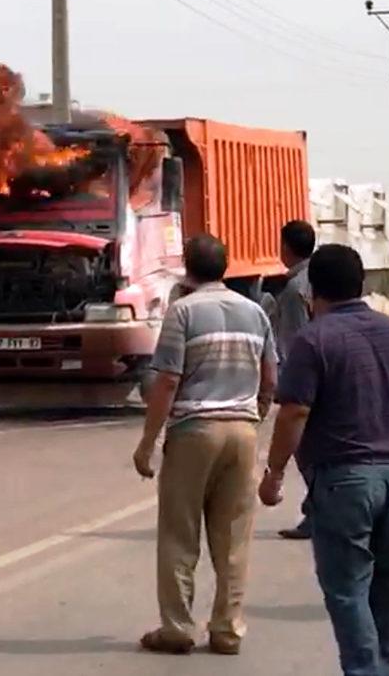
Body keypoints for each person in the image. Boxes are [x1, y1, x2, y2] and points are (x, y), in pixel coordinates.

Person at [259, 244, 389, 676]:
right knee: (386, 586)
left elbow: (295, 411)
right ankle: (387, 668)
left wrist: (274, 473)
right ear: (363, 284)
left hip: (345, 483)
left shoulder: (313, 339)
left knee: (349, 591)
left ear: (311, 289)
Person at [133, 233, 278, 656]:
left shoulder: (182, 312)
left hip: (194, 430)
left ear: (187, 268)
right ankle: (227, 629)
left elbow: (167, 381)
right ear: (226, 266)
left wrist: (147, 443)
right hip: (243, 431)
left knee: (180, 534)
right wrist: (255, 416)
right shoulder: (255, 313)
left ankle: (178, 627)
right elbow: (270, 378)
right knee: (233, 538)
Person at [272, 220, 316, 540]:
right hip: (331, 374)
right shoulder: (320, 277)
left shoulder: (293, 289)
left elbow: (295, 341)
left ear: (286, 247)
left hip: (307, 381)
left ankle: (317, 512)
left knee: (305, 448)